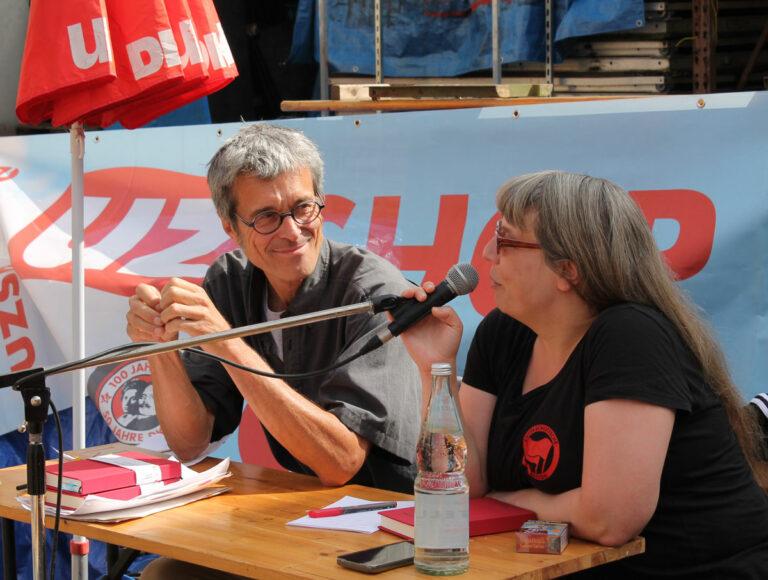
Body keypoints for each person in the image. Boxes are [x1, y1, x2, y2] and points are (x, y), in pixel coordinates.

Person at [398, 171, 768, 578]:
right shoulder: (504, 332)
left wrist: (501, 503)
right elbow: (460, 484)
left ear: (568, 270)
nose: (486, 252)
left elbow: (610, 520)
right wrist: (438, 369)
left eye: (505, 239)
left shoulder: (631, 335)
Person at [125, 124, 421, 578]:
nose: (291, 231)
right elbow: (189, 442)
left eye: (304, 207)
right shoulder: (230, 279)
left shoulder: (373, 291)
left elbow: (340, 463)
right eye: (266, 217)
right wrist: (159, 347)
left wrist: (226, 340)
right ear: (230, 226)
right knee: (164, 575)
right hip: (305, 516)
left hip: (392, 527)